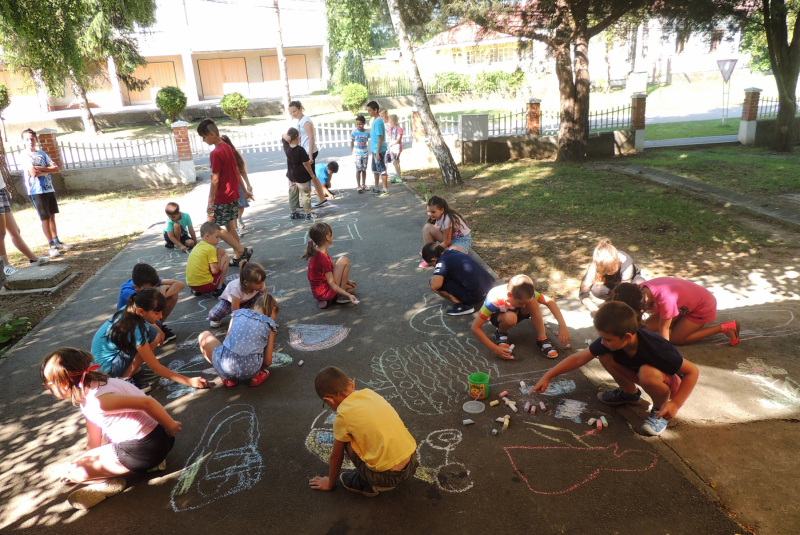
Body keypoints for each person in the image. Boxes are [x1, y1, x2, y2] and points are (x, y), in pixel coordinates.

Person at [40, 347, 181, 510]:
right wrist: (88, 462)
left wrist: (171, 426)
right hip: (159, 440)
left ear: (65, 382)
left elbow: (148, 403)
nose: (46, 388)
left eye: (48, 384)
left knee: (74, 471)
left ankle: (107, 484)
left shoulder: (99, 402)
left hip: (145, 450)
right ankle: (153, 463)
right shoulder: (100, 386)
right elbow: (93, 440)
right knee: (83, 461)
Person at [532, 301, 700, 436]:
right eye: (602, 337)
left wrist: (675, 404)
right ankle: (629, 394)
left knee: (647, 373)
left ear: (627, 337)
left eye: (607, 339)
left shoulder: (656, 349)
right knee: (604, 354)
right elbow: (580, 357)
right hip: (641, 372)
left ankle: (659, 410)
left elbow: (692, 372)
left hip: (669, 382)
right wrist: (548, 375)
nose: (603, 341)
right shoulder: (614, 339)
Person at [309, 366, 418, 496]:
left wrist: (329, 483)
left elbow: (336, 456)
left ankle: (369, 484)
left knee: (345, 440)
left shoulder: (342, 416)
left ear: (329, 399)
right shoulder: (369, 394)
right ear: (351, 384)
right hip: (412, 462)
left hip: (387, 477)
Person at [91, 288, 210, 392]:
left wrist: (159, 328)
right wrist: (189, 381)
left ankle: (127, 369)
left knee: (155, 327)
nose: (161, 316)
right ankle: (125, 379)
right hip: (108, 368)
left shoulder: (129, 309)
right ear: (141, 311)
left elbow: (150, 323)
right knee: (153, 336)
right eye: (157, 312)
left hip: (102, 362)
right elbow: (155, 367)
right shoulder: (136, 329)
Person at [613, 278, 740, 346]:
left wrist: (664, 355)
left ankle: (725, 328)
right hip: (682, 304)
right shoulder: (637, 291)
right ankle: (677, 320)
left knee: (676, 339)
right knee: (644, 329)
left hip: (702, 306)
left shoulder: (666, 300)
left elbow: (664, 331)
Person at [196, 119, 253, 267]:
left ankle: (241, 250)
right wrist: (244, 190)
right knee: (229, 226)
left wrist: (210, 200)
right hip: (234, 194)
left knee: (214, 228)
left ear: (212, 134)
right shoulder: (227, 147)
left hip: (223, 196)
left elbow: (215, 180)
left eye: (204, 136)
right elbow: (235, 170)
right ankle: (239, 256)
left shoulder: (216, 153)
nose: (204, 140)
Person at [472, 274, 570, 360]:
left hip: (515, 312)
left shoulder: (523, 294)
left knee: (532, 301)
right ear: (509, 295)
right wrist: (495, 348)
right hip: (500, 318)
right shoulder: (493, 299)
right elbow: (475, 327)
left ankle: (542, 339)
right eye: (520, 303)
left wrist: (562, 326)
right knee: (510, 317)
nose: (524, 306)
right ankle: (501, 332)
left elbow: (550, 301)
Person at [199, 292, 278, 388]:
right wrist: (260, 369)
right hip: (250, 369)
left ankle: (229, 378)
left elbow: (226, 341)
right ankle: (256, 376)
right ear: (274, 310)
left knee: (204, 335)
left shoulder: (237, 314)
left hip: (226, 366)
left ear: (256, 305)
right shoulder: (269, 324)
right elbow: (268, 361)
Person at [20, 128, 73, 257]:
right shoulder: (25, 155)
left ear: (36, 139)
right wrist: (48, 169)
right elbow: (33, 173)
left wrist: (42, 169)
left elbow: (56, 169)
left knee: (52, 216)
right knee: (45, 218)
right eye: (27, 139)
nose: (30, 141)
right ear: (23, 141)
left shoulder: (42, 154)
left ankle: (57, 241)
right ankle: (51, 245)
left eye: (32, 138)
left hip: (49, 188)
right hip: (36, 190)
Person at [422, 242, 495, 316]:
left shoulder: (442, 261)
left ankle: (464, 306)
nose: (433, 266)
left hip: (477, 296)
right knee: (448, 276)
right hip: (490, 288)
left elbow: (435, 285)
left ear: (434, 259)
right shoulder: (455, 252)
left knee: (432, 282)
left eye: (432, 265)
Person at [116, 263, 182, 344]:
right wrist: (157, 330)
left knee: (172, 295)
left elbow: (179, 284)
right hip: (129, 321)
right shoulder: (127, 291)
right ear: (136, 288)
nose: (154, 290)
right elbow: (140, 311)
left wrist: (162, 295)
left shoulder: (148, 281)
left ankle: (155, 328)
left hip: (141, 314)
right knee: (154, 327)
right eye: (150, 288)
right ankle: (150, 334)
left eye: (155, 286)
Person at [0, 172, 49, 275]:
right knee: (1, 233)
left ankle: (33, 259)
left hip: (1, 190)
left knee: (15, 231)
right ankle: (5, 266)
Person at [579, 238, 645, 313]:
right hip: (611, 285)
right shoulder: (595, 265)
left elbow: (625, 291)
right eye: (606, 270)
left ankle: (636, 306)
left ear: (617, 260)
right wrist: (596, 310)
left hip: (628, 283)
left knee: (641, 285)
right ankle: (610, 301)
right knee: (596, 289)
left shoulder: (625, 261)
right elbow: (583, 294)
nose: (610, 272)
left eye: (612, 268)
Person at [302, 222, 357, 308]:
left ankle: (327, 300)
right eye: (331, 235)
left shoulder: (317, 249)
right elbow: (332, 284)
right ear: (327, 237)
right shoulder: (322, 258)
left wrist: (347, 281)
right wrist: (348, 296)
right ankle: (340, 297)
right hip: (325, 291)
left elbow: (335, 267)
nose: (332, 236)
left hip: (318, 292)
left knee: (351, 288)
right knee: (344, 260)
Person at [288, 100, 329, 206]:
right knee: (311, 175)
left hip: (308, 152)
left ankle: (312, 199)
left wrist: (310, 155)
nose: (293, 114)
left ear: (300, 108)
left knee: (309, 175)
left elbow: (311, 138)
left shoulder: (306, 121)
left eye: (295, 111)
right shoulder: (300, 121)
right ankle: (320, 197)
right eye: (291, 112)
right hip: (305, 151)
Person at [207, 260, 267, 328]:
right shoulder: (236, 288)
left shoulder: (260, 283)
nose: (262, 285)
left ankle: (251, 310)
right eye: (258, 283)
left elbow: (266, 300)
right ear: (246, 283)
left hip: (247, 301)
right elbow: (235, 311)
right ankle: (248, 312)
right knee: (213, 315)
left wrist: (269, 321)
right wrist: (240, 324)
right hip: (229, 303)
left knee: (262, 297)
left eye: (263, 281)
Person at [420, 196, 472, 267]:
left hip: (461, 240)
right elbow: (447, 240)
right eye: (428, 211)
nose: (429, 214)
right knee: (427, 227)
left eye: (433, 212)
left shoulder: (447, 219)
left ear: (442, 210)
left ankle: (432, 256)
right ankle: (428, 258)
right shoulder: (438, 216)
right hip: (450, 238)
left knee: (451, 257)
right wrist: (429, 251)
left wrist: (433, 251)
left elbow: (446, 242)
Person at [282, 128, 318, 221]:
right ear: (298, 137)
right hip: (302, 176)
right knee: (305, 194)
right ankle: (308, 213)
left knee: (293, 194)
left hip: (291, 176)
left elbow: (283, 136)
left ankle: (293, 213)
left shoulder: (286, 146)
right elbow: (306, 164)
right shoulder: (300, 149)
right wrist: (312, 174)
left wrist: (287, 137)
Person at [186, 221, 230, 297]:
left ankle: (197, 291)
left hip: (192, 285)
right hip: (206, 286)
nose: (218, 240)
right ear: (207, 236)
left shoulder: (197, 246)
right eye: (217, 237)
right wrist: (219, 255)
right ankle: (219, 287)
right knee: (226, 257)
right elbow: (215, 271)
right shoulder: (210, 248)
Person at [220, 135, 253, 234]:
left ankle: (239, 219)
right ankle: (235, 229)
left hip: (237, 184)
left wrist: (247, 184)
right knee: (233, 208)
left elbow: (241, 171)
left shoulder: (234, 154)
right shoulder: (218, 155)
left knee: (241, 206)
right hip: (227, 186)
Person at [366, 101, 389, 197]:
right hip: (375, 150)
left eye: (370, 110)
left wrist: (378, 152)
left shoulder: (379, 121)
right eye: (368, 110)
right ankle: (376, 187)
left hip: (379, 150)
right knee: (375, 169)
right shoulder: (375, 121)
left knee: (382, 169)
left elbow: (380, 137)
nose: (369, 112)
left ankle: (385, 189)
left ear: (376, 110)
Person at [350, 115, 370, 193]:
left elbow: (368, 139)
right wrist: (352, 151)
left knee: (364, 169)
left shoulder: (367, 132)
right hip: (357, 153)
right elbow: (352, 141)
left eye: (361, 124)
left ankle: (364, 184)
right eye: (358, 124)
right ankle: (358, 185)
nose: (359, 126)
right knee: (358, 169)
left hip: (365, 152)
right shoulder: (354, 132)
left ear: (364, 123)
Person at [385, 114, 403, 183]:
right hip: (392, 147)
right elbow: (391, 137)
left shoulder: (399, 129)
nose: (390, 123)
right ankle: (398, 175)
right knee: (395, 162)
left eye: (391, 121)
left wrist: (392, 143)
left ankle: (399, 177)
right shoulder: (392, 128)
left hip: (397, 147)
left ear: (395, 121)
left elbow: (398, 139)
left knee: (396, 162)